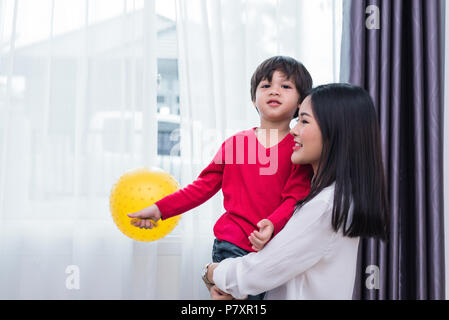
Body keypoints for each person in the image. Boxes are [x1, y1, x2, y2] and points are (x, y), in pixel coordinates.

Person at [127, 56, 314, 300]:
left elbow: (294, 197)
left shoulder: (299, 149)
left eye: (285, 86)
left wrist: (272, 225)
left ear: (301, 103)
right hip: (231, 245)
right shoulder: (236, 144)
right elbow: (201, 187)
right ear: (253, 99)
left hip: (275, 253)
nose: (274, 91)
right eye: (266, 86)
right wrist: (160, 209)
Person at [205, 83, 389, 300]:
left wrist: (210, 272)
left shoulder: (325, 206)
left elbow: (256, 273)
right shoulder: (330, 197)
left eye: (304, 121)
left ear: (334, 132)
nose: (293, 130)